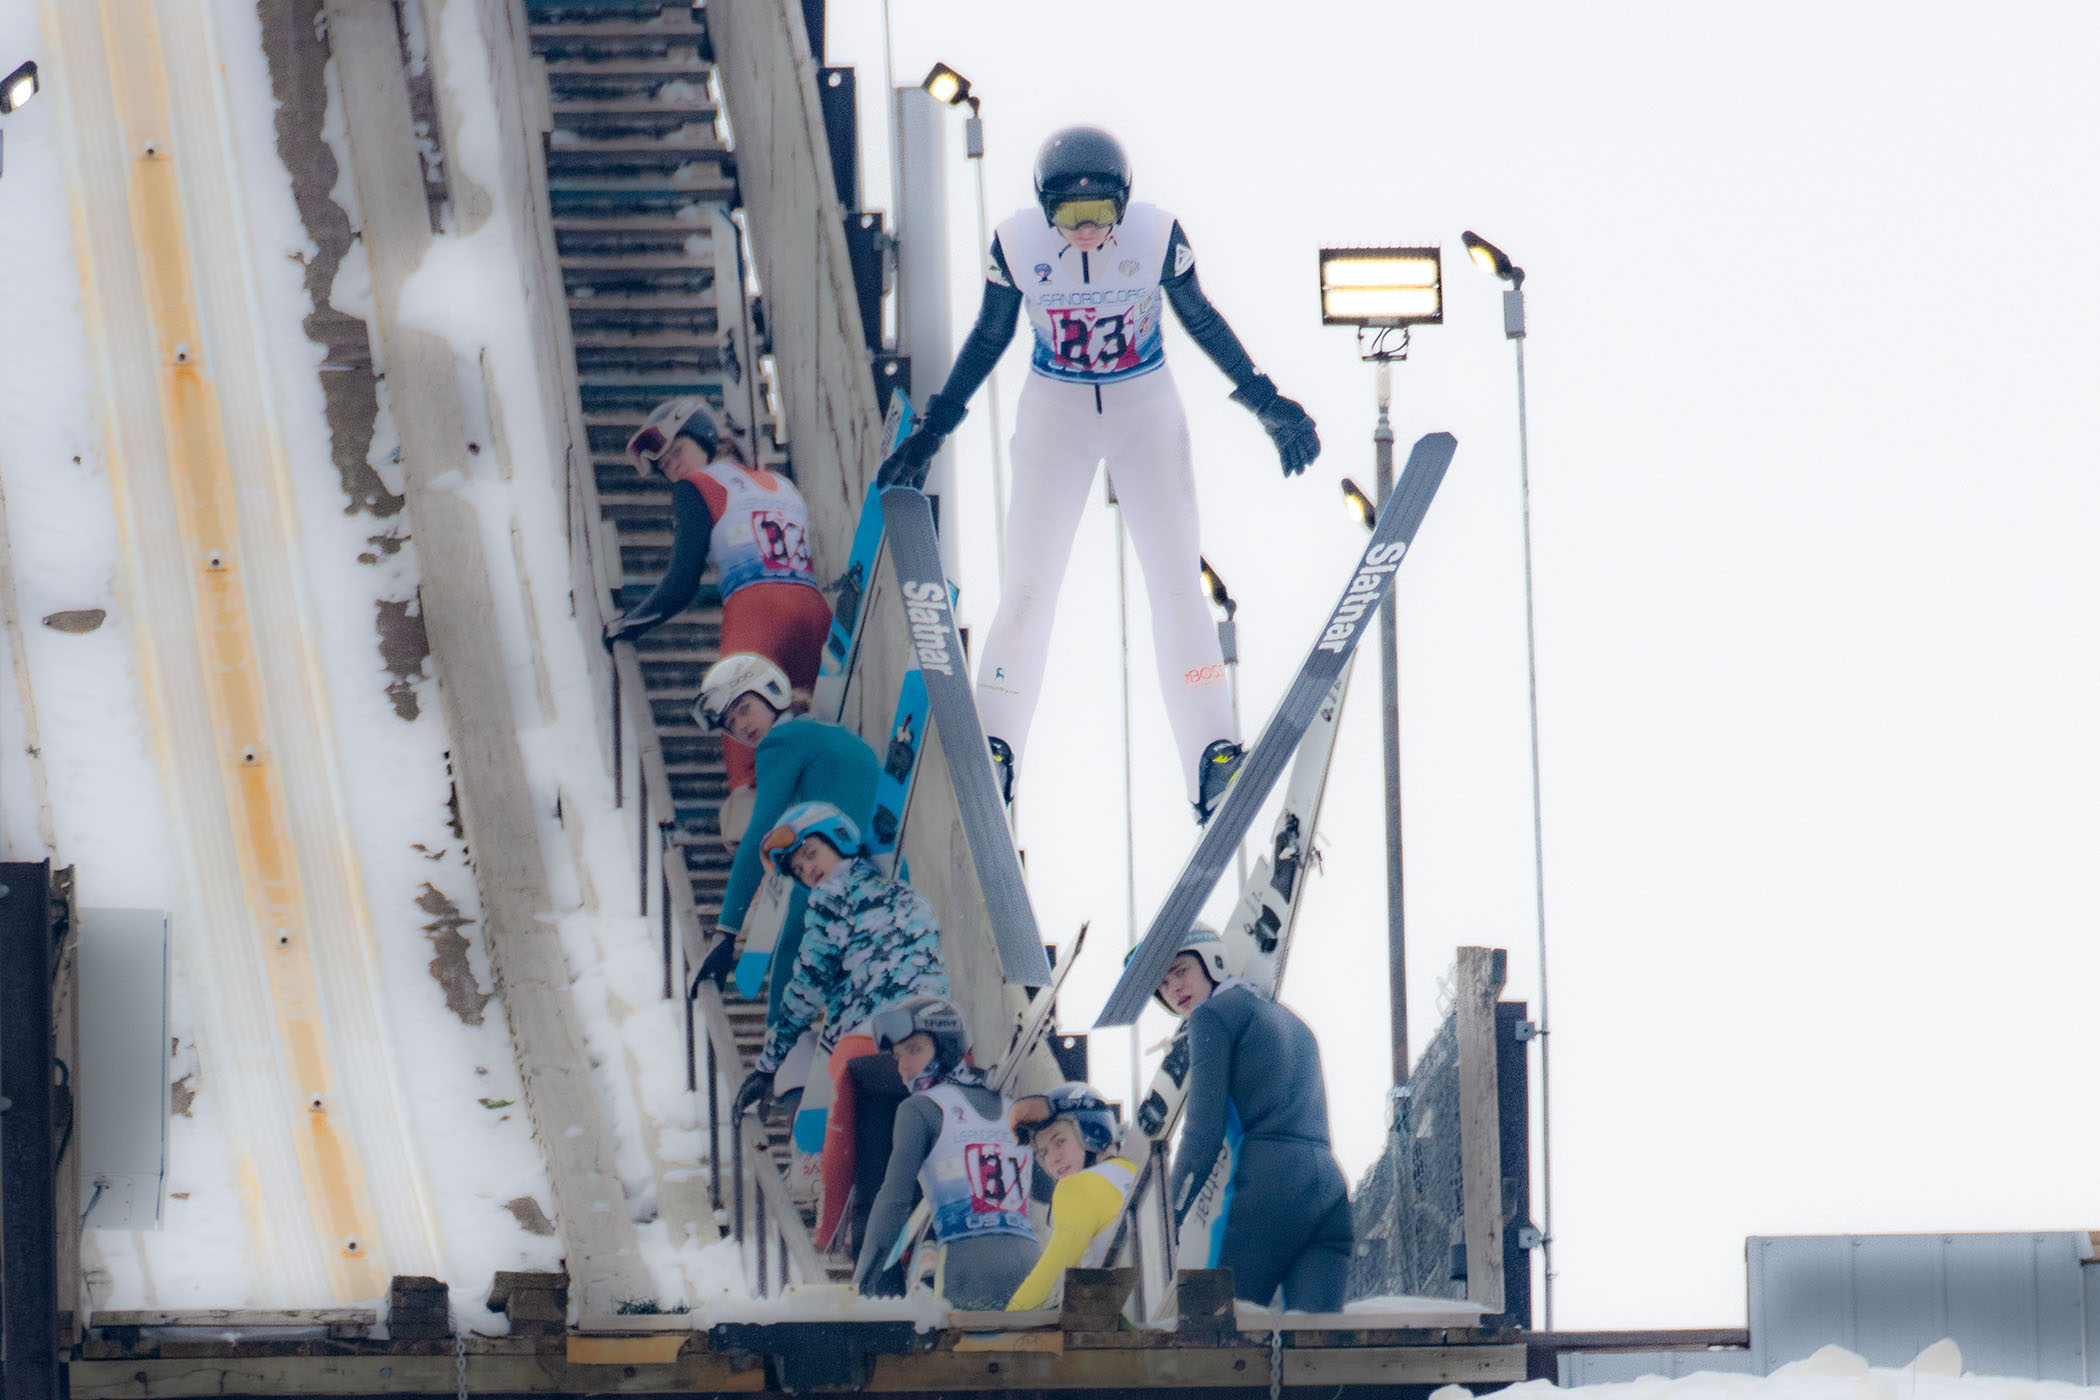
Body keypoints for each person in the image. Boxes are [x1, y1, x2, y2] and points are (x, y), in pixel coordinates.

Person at [875, 126, 1321, 822]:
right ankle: (995, 744)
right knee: (1028, 588)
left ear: (1127, 205)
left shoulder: (1156, 235)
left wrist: (1266, 401)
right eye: (1068, 218)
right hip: (1056, 416)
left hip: (1145, 411)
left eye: (1102, 217)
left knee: (1177, 585)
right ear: (1042, 208)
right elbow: (991, 336)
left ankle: (1212, 752)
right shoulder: (1018, 245)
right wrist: (935, 429)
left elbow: (1198, 316)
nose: (1085, 233)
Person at [609, 397, 832, 844]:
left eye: (676, 454)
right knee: (807, 720)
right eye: (665, 465)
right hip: (813, 608)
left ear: (704, 438)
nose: (673, 468)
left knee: (737, 712)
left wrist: (627, 626)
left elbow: (683, 581)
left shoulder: (696, 487)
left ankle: (749, 831)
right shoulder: (780, 484)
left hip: (755, 609)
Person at [730, 801, 950, 1250]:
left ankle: (870, 1273)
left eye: (810, 853)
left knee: (872, 1165)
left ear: (840, 839)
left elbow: (807, 986)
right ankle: (917, 1259)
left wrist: (767, 1068)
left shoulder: (832, 898)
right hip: (937, 1045)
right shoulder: (907, 895)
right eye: (797, 867)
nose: (807, 870)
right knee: (911, 1163)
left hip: (876, 1049)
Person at [1157, 927, 1352, 1311]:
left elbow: (1202, 1134)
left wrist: (1169, 1214)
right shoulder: (1294, 1022)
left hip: (1266, 1192)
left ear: (1212, 961)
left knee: (1215, 1342)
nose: (1173, 989)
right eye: (1162, 985)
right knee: (1315, 1357)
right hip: (1329, 1192)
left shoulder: (1210, 1017)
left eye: (1180, 971)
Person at [691, 654, 880, 1021]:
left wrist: (726, 932)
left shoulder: (781, 742)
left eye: (744, 709)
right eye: (731, 722)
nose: (742, 726)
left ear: (770, 691)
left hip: (844, 875)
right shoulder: (815, 731)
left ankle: (778, 1057)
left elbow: (759, 835)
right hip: (873, 865)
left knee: (798, 921)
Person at [854, 996, 1037, 1310]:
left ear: (945, 1048)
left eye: (914, 1050)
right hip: (1033, 1273)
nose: (904, 1067)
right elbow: (1047, 1188)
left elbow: (893, 1200)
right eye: (898, 1057)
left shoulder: (919, 1109)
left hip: (965, 1275)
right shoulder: (1012, 1107)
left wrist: (861, 1284)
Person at [1004, 1083, 1137, 1311]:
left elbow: (1049, 1278)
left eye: (1059, 1142)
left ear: (1091, 1130)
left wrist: (1006, 1320)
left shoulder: (1076, 1188)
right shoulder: (1132, 1172)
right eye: (1043, 1152)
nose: (1052, 1160)